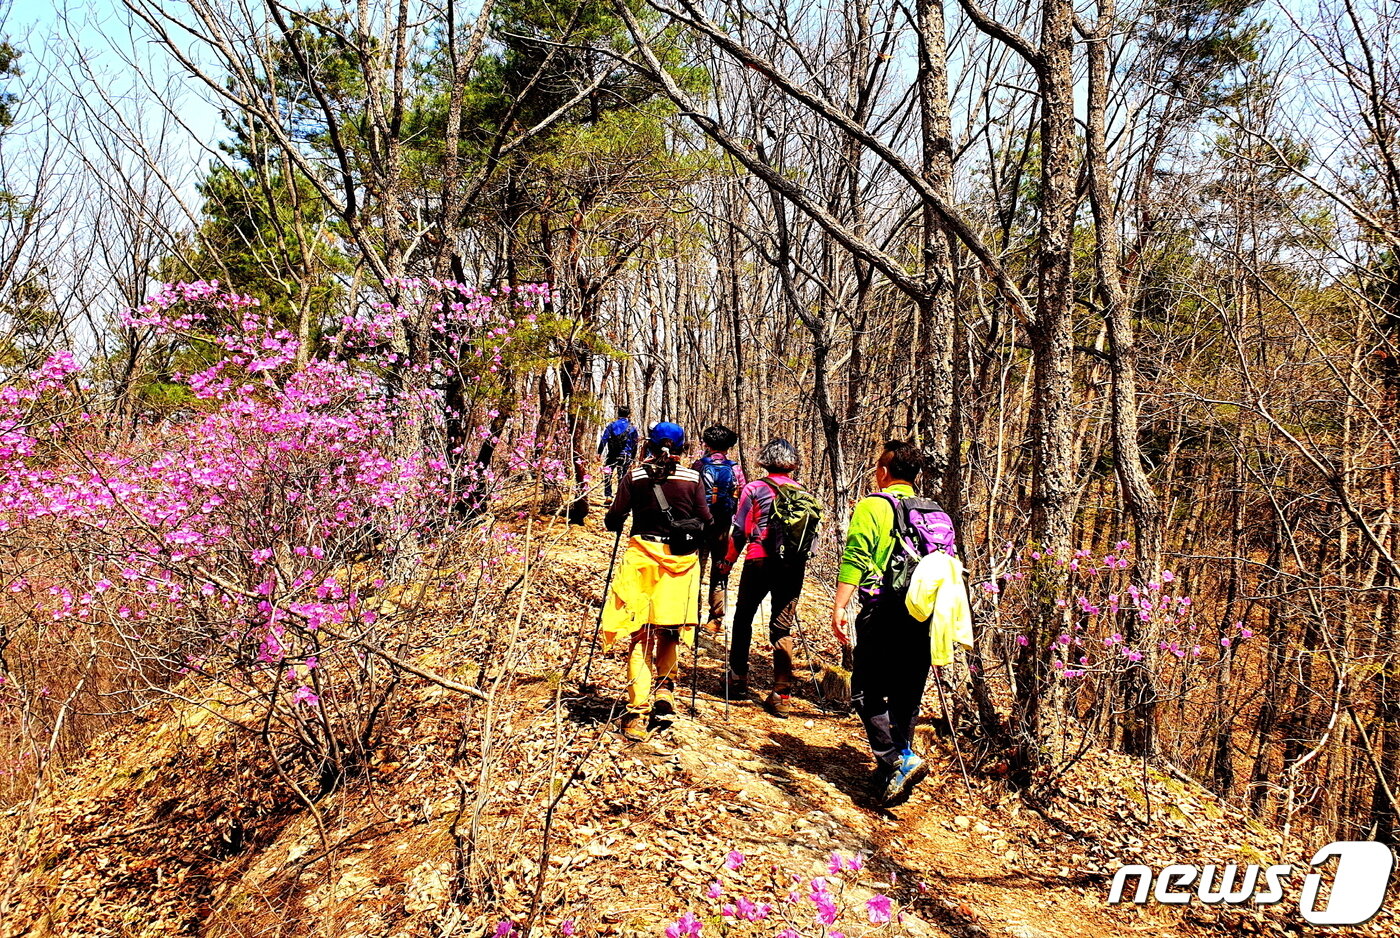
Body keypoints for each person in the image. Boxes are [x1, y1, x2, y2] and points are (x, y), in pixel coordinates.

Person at [831, 440, 939, 805]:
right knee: (907, 690)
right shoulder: (936, 512)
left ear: (884, 470)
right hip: (924, 615)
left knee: (865, 688)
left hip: (883, 609)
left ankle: (897, 760)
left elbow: (856, 555)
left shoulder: (874, 505)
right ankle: (893, 767)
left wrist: (839, 606)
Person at [601, 422, 710, 742]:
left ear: (648, 445)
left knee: (641, 636)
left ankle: (637, 712)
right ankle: (665, 691)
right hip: (680, 564)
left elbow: (614, 518)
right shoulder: (692, 479)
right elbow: (706, 519)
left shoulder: (634, 476)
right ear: (681, 448)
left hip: (641, 560)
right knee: (670, 628)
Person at [722, 439, 810, 717]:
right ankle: (781, 693)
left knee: (744, 616)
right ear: (792, 463)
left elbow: (739, 530)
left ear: (765, 460)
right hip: (792, 566)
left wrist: (727, 561)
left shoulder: (754, 488)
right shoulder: (803, 493)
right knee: (782, 628)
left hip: (758, 560)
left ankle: (737, 678)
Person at [692, 425, 745, 633]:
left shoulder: (698, 465)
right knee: (720, 570)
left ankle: (691, 616)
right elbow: (741, 499)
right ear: (729, 446)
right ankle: (715, 619)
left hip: (699, 524)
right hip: (723, 526)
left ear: (706, 444)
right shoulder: (735, 469)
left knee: (695, 568)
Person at [598, 406, 639, 501]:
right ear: (628, 415)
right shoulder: (632, 428)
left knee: (608, 473)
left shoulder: (612, 425)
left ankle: (608, 495)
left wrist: (599, 452)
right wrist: (633, 457)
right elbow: (635, 443)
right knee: (623, 476)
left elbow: (604, 439)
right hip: (626, 454)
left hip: (612, 454)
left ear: (618, 414)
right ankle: (620, 498)